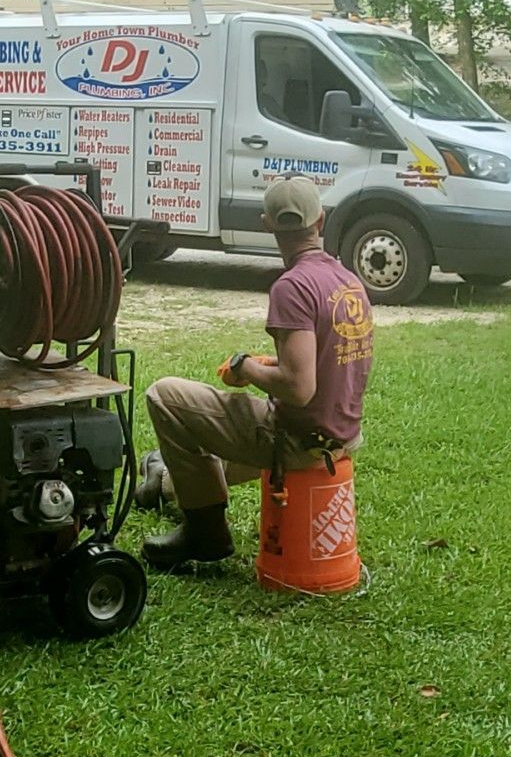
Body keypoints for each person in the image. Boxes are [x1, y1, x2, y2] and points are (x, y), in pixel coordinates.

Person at [138, 176, 375, 571]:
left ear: (266, 224)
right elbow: (324, 362)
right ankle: (161, 482)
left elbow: (299, 388)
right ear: (322, 220)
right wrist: (275, 368)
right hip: (342, 435)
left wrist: (246, 367)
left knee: (165, 395)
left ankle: (206, 532)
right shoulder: (347, 281)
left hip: (298, 439)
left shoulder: (293, 287)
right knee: (214, 447)